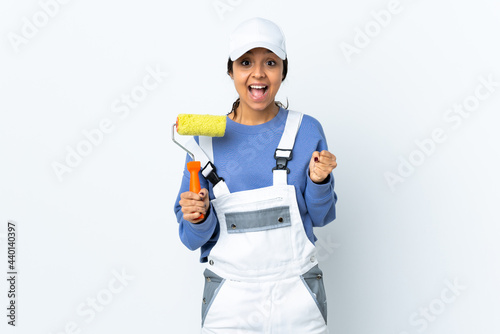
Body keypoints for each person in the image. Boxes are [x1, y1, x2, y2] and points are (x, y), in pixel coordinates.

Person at [174, 17, 337, 333]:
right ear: (231, 70)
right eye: (246, 62)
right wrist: (197, 217)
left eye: (270, 62)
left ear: (283, 70)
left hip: (297, 298)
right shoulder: (204, 142)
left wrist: (319, 181)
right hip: (229, 302)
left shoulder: (306, 131)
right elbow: (191, 240)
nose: (258, 73)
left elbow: (322, 216)